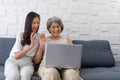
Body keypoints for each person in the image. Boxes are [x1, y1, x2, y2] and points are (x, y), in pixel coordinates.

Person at [4, 11, 42, 80]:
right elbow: (16, 56)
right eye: (34, 23)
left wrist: (42, 45)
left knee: (25, 77)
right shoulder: (21, 35)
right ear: (29, 23)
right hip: (13, 61)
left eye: (38, 22)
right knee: (14, 76)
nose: (36, 25)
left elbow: (36, 61)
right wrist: (31, 46)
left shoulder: (39, 37)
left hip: (27, 64)